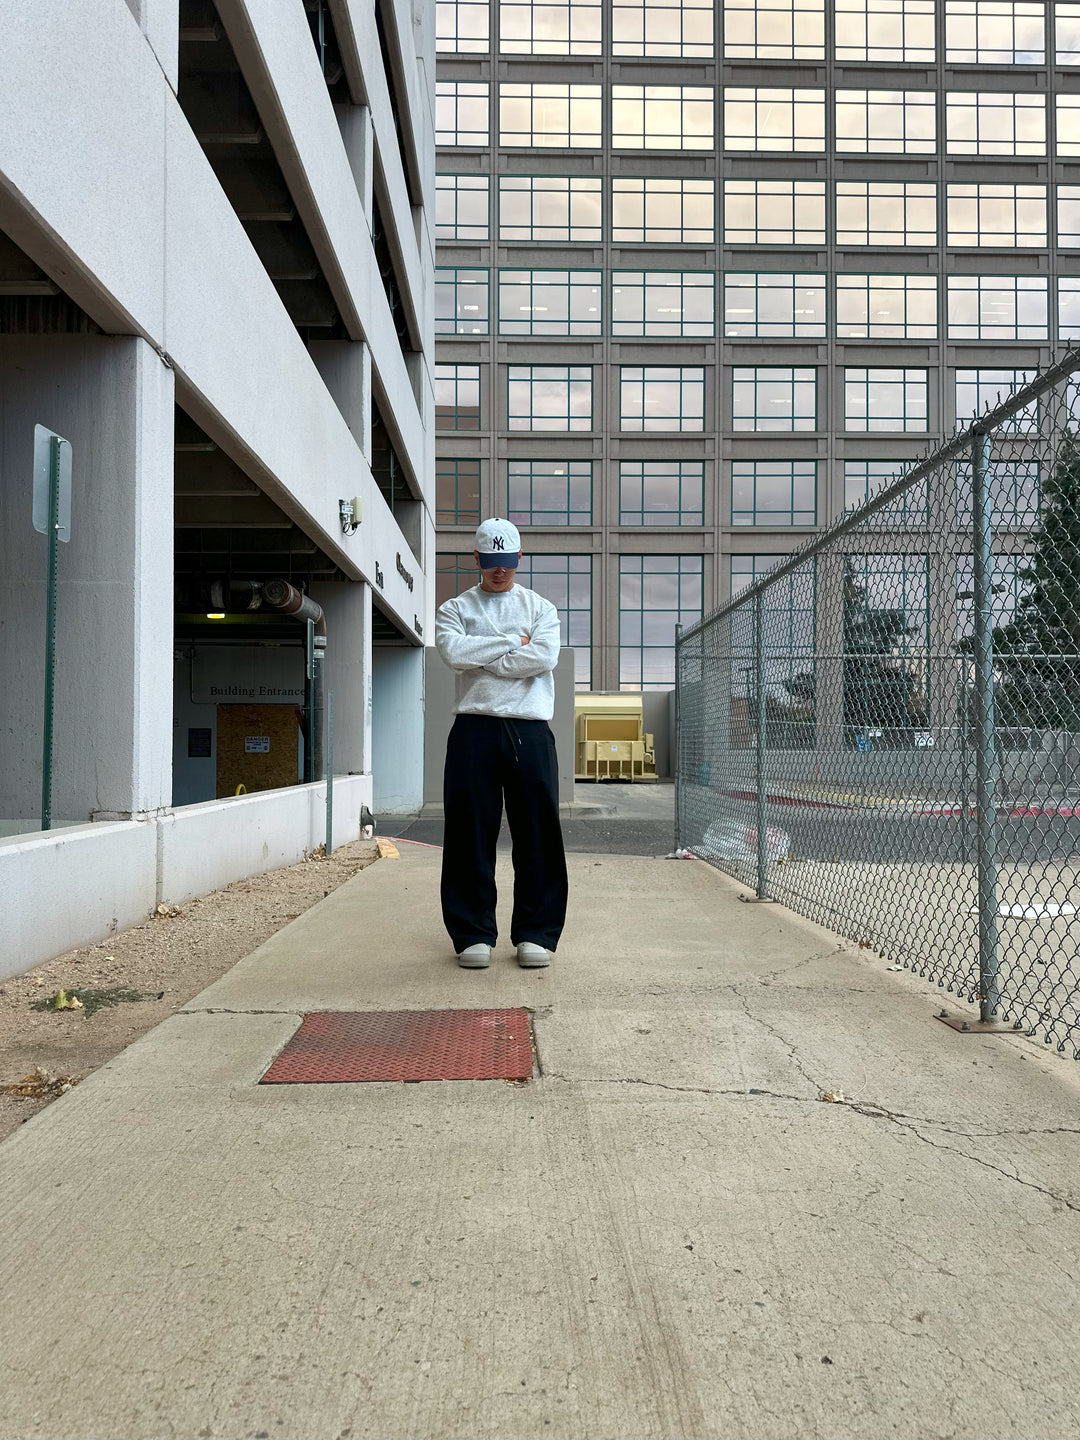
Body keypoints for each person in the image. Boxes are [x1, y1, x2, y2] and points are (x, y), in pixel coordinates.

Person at [434, 518, 568, 969]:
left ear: (518, 558)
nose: (499, 572)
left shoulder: (540, 607)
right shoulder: (455, 608)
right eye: (491, 563)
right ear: (476, 559)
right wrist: (513, 643)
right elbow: (453, 654)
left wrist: (483, 655)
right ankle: (472, 933)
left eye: (507, 563)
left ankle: (537, 933)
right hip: (474, 728)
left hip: (529, 730)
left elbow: (544, 656)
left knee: (539, 834)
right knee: (469, 833)